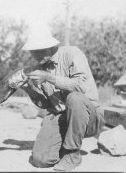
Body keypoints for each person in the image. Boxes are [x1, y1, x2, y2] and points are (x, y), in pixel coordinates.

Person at [9, 23, 105, 171]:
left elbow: (80, 86)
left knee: (74, 98)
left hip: (90, 118)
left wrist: (49, 77)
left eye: (38, 50)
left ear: (50, 46)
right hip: (63, 117)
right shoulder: (39, 68)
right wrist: (27, 88)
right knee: (40, 160)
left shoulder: (72, 53)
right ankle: (63, 146)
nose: (35, 55)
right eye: (32, 52)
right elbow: (46, 104)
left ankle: (72, 153)